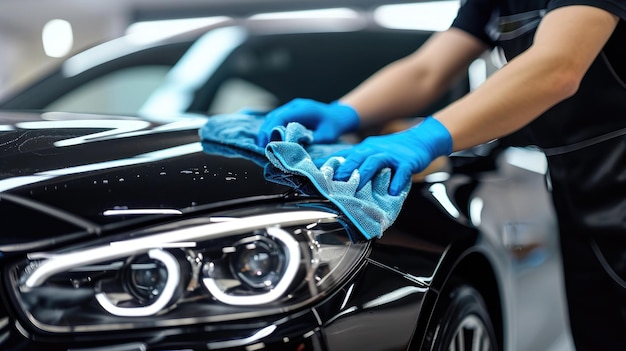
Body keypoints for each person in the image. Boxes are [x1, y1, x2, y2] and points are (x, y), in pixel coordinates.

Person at [255, 1, 626, 349]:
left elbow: (557, 66)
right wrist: (343, 112)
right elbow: (427, 70)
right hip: (578, 194)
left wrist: (424, 138)